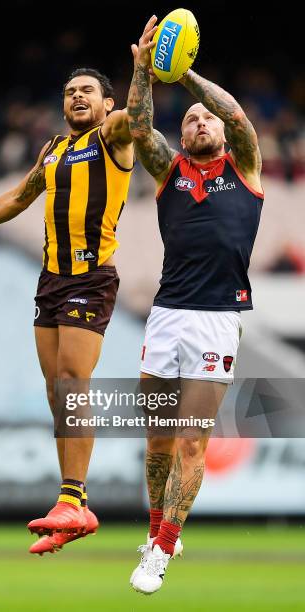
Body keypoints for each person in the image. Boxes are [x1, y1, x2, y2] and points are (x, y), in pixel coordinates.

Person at [0, 67, 134, 555]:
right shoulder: (53, 150)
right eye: (69, 93)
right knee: (56, 393)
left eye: (87, 90)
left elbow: (142, 116)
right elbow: (19, 198)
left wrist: (143, 72)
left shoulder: (113, 137)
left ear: (108, 104)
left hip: (90, 277)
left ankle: (72, 499)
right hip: (51, 280)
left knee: (72, 382)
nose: (76, 98)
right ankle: (73, 503)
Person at [126, 16, 263, 594]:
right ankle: (160, 528)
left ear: (222, 135)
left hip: (215, 321)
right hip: (166, 315)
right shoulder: (170, 172)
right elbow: (137, 125)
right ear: (181, 139)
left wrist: (183, 75)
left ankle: (158, 552)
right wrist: (142, 71)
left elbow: (234, 112)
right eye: (189, 120)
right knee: (157, 441)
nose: (199, 120)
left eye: (204, 117)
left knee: (190, 440)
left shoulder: (245, 168)